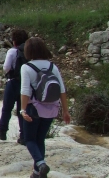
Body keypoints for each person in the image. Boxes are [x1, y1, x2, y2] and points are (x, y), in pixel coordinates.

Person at [20, 37, 70, 178]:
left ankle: (41, 164)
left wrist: (23, 110)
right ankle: (37, 173)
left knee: (29, 139)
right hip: (51, 108)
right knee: (40, 139)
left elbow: (25, 91)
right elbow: (62, 89)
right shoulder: (52, 67)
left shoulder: (26, 67)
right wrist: (65, 111)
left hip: (33, 108)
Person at [0, 29, 29, 144]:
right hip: (25, 83)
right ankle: (23, 136)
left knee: (7, 108)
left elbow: (6, 67)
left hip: (13, 81)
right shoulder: (29, 51)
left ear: (14, 41)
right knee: (22, 109)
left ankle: (2, 131)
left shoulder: (12, 51)